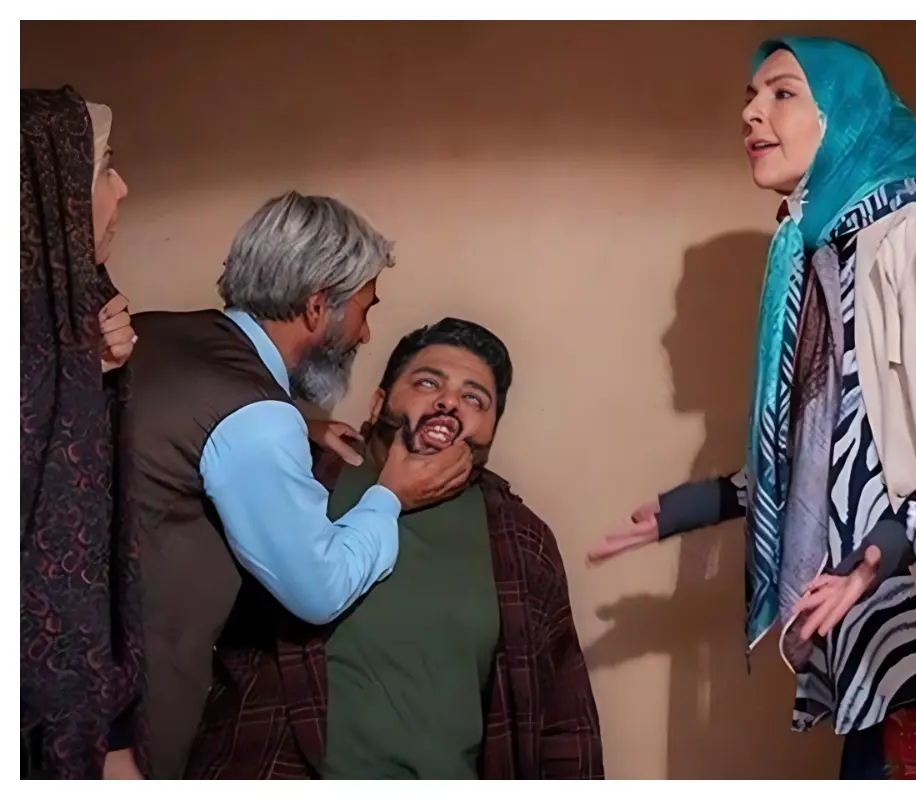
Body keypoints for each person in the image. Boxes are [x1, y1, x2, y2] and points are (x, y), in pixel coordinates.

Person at [588, 37, 916, 779]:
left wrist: (880, 554)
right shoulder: (828, 251)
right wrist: (694, 506)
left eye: (783, 93)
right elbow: (837, 445)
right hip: (873, 631)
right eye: (751, 98)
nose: (752, 113)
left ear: (846, 115)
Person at [120, 192, 475, 778]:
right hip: (125, 719)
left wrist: (294, 424)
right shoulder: (254, 420)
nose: (365, 334)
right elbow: (317, 587)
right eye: (364, 308)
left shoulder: (148, 332)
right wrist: (390, 495)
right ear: (316, 307)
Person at [185, 318, 604, 779]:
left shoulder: (522, 539)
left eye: (474, 399)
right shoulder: (302, 475)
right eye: (428, 383)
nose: (449, 402)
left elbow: (563, 716)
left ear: (491, 432)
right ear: (378, 402)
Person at [20, 86, 140, 780]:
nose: (121, 188)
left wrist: (94, 368)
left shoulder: (78, 313)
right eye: (103, 168)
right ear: (47, 193)